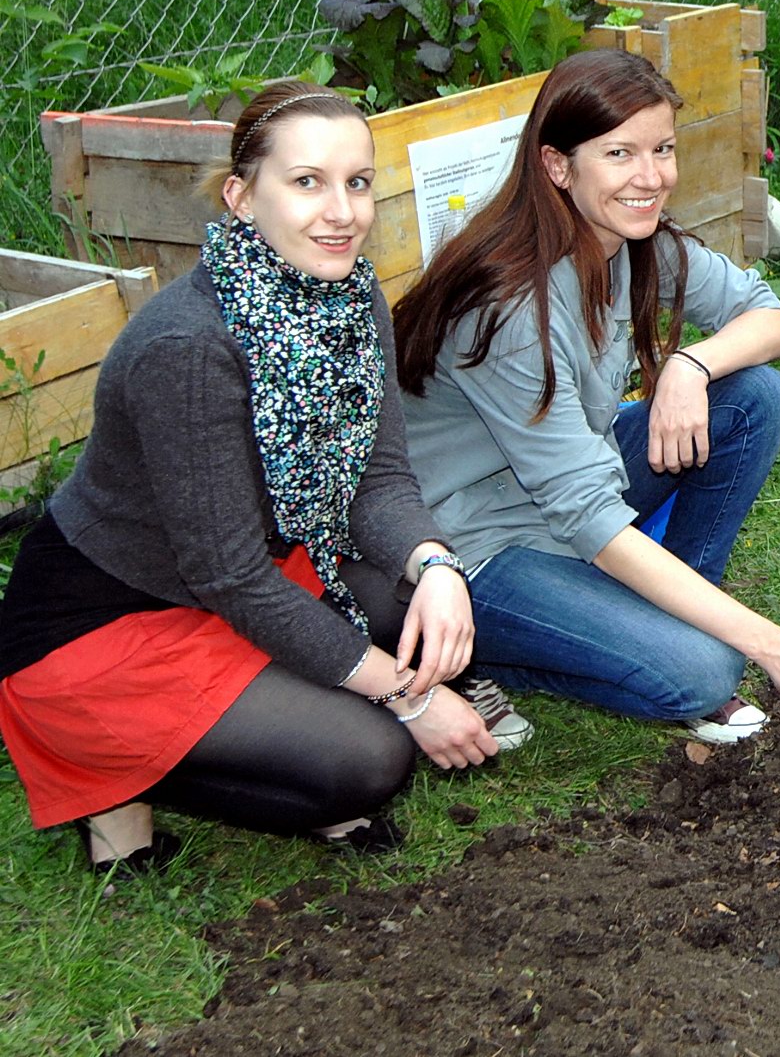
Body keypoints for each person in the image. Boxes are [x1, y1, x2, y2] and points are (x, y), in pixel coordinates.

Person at [0, 84, 498, 876]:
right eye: (306, 182)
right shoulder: (188, 348)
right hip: (110, 620)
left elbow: (377, 480)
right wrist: (406, 696)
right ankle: (111, 779)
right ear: (240, 197)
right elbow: (228, 575)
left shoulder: (351, 296)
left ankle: (278, 722)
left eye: (357, 182)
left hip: (249, 575)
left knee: (429, 613)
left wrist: (437, 565)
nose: (341, 212)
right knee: (370, 760)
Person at [393, 49, 780, 746]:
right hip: (478, 546)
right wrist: (773, 644)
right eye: (619, 153)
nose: (651, 177)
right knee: (705, 671)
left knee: (752, 395)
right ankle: (476, 651)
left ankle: (665, 614)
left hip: (569, 489)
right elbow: (588, 516)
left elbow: (775, 321)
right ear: (558, 167)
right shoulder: (508, 304)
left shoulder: (632, 240)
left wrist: (688, 367)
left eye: (662, 149)